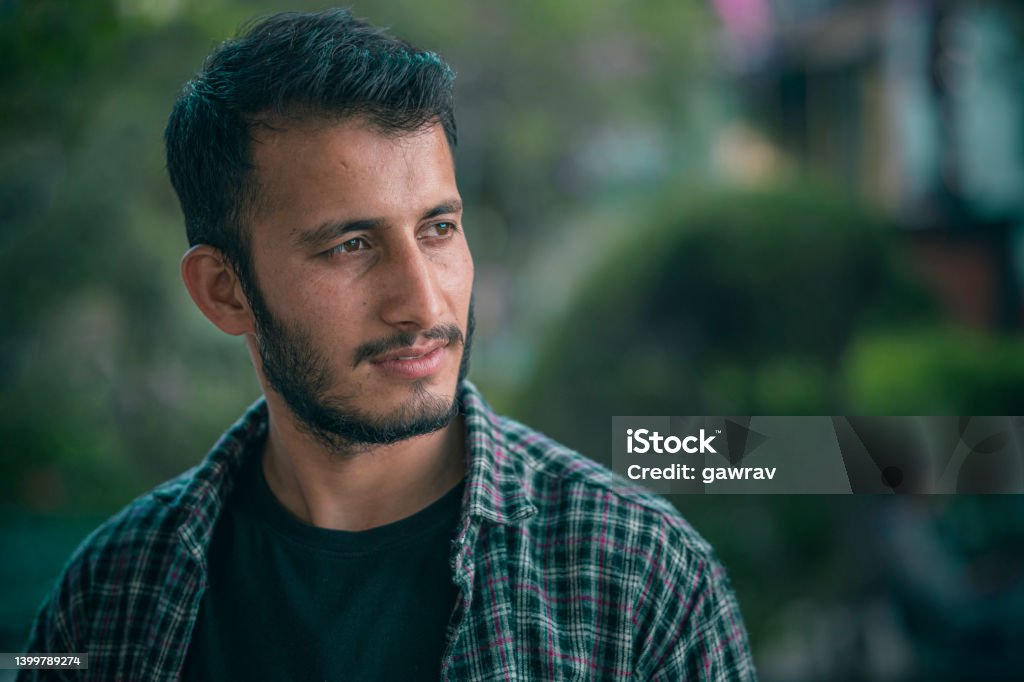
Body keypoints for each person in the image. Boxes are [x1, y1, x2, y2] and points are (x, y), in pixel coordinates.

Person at [21, 9, 756, 681]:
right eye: (349, 245)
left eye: (438, 229)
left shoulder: (640, 578)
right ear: (225, 290)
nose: (424, 302)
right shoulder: (109, 597)